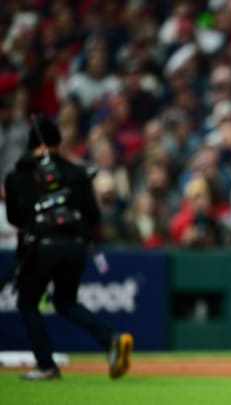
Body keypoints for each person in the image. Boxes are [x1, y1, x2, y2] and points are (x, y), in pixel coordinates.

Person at [3, 115, 133, 380]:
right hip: (75, 247)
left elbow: (15, 217)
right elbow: (94, 216)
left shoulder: (19, 175)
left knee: (27, 302)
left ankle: (46, 365)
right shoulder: (76, 172)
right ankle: (110, 339)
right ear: (57, 142)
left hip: (41, 247)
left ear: (32, 144)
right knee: (65, 301)